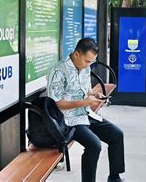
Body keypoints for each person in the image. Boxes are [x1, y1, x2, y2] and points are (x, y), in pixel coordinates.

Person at [47, 38, 125, 182]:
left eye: (91, 62)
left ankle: (114, 177)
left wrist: (94, 95)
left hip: (85, 113)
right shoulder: (59, 70)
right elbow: (55, 103)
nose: (88, 65)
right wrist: (83, 102)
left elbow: (86, 90)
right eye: (87, 61)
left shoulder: (85, 68)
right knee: (94, 145)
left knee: (117, 134)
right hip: (67, 120)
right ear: (76, 54)